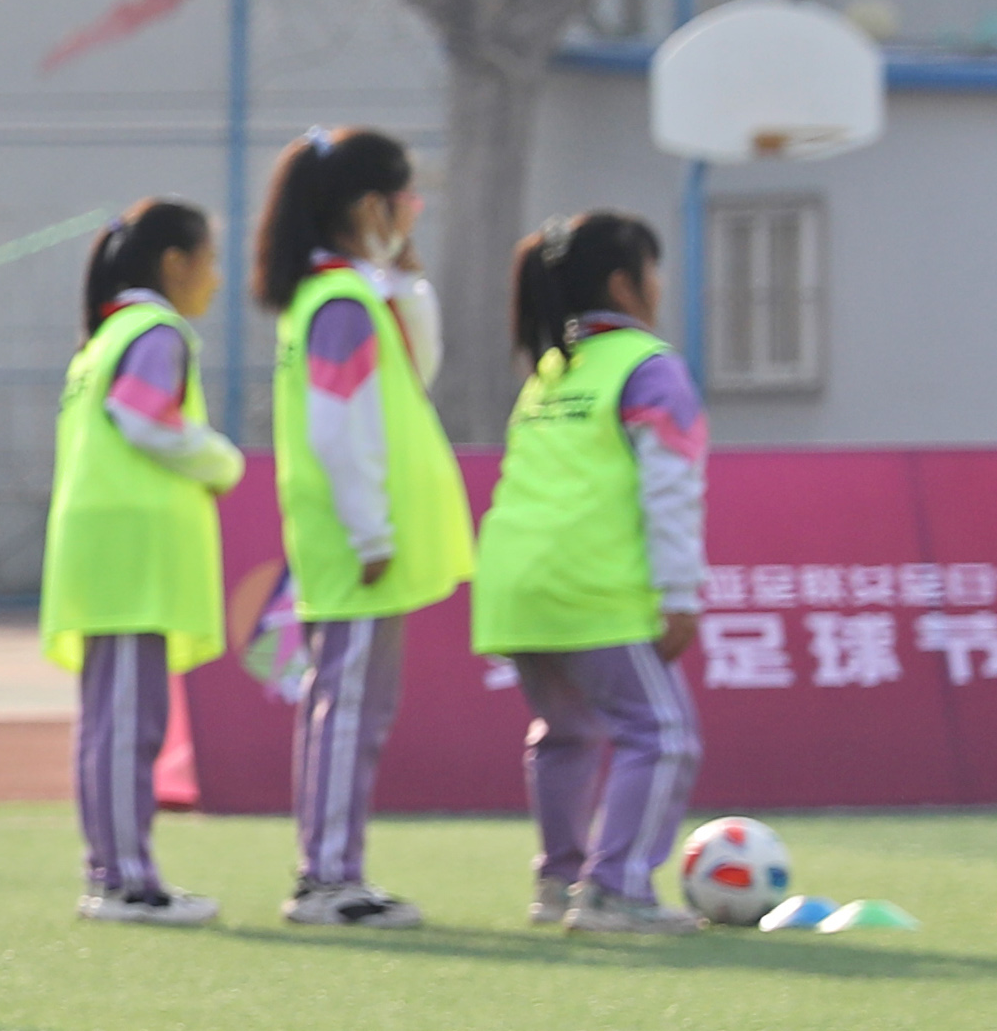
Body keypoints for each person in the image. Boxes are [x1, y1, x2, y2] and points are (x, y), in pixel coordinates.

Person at [259, 126, 470, 928]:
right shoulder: (338, 304)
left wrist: (405, 279)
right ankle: (326, 878)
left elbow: (417, 367)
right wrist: (371, 533)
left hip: (356, 537)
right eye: (403, 198)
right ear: (367, 205)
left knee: (353, 707)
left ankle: (334, 869)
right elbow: (334, 428)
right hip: (353, 542)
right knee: (344, 707)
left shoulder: (350, 295)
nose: (413, 212)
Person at [474, 211, 707, 934]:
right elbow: (670, 488)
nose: (659, 285)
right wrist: (677, 593)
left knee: (565, 730)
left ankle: (559, 881)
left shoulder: (549, 370)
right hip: (593, 587)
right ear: (622, 281)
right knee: (661, 735)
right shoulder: (647, 365)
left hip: (516, 586)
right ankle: (615, 889)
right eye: (652, 269)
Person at [41, 200, 246, 927]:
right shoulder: (154, 330)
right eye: (209, 259)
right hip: (131, 553)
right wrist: (219, 459)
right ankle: (126, 879)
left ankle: (113, 871)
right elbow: (142, 417)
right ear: (172, 263)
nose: (215, 279)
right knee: (129, 722)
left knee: (106, 720)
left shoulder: (100, 336)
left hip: (96, 547)